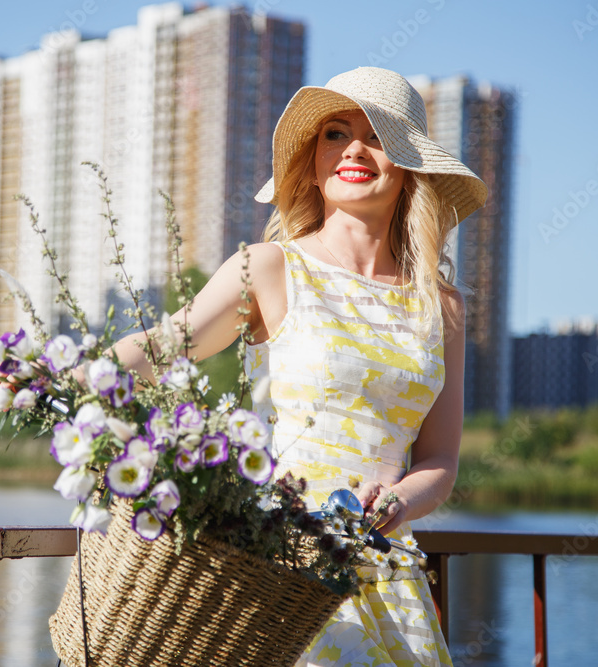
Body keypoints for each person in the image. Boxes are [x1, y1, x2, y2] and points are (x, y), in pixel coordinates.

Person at [113, 66, 486, 666]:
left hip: (383, 572)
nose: (354, 151)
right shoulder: (270, 267)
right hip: (277, 564)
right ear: (313, 160)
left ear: (411, 165)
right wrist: (53, 374)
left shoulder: (441, 306)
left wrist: (398, 502)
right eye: (335, 134)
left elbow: (440, 461)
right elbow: (163, 347)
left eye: (378, 137)